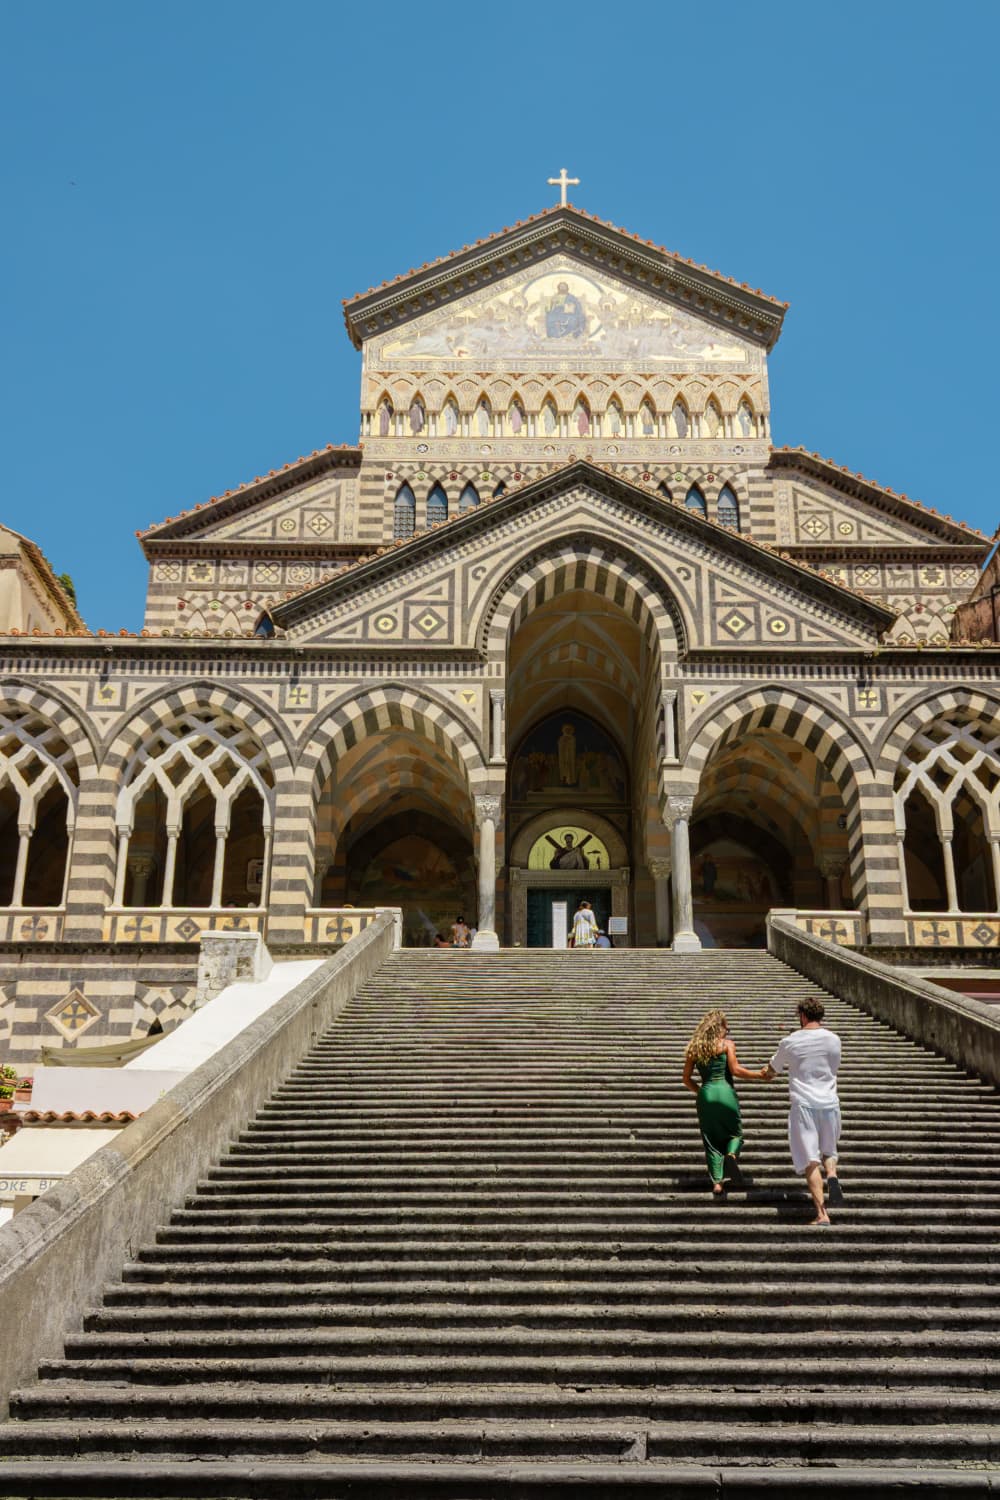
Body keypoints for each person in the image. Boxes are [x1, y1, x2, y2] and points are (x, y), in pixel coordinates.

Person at [762, 997, 843, 1226]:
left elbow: (772, 1070)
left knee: (810, 1161)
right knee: (829, 1150)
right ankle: (833, 1176)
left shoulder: (791, 1041)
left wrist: (763, 1073)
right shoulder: (834, 1040)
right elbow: (833, 1068)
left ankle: (822, 1214)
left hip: (804, 1105)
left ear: (803, 1016)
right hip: (830, 1103)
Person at [682, 1010, 769, 1196]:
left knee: (711, 1141)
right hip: (725, 1092)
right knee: (735, 1134)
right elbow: (735, 1070)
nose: (727, 1033)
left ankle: (717, 1184)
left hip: (706, 1094)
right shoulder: (727, 1045)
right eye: (726, 1029)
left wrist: (702, 1092)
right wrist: (760, 1075)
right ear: (719, 1028)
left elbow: (686, 1079)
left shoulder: (694, 1048)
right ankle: (731, 1156)